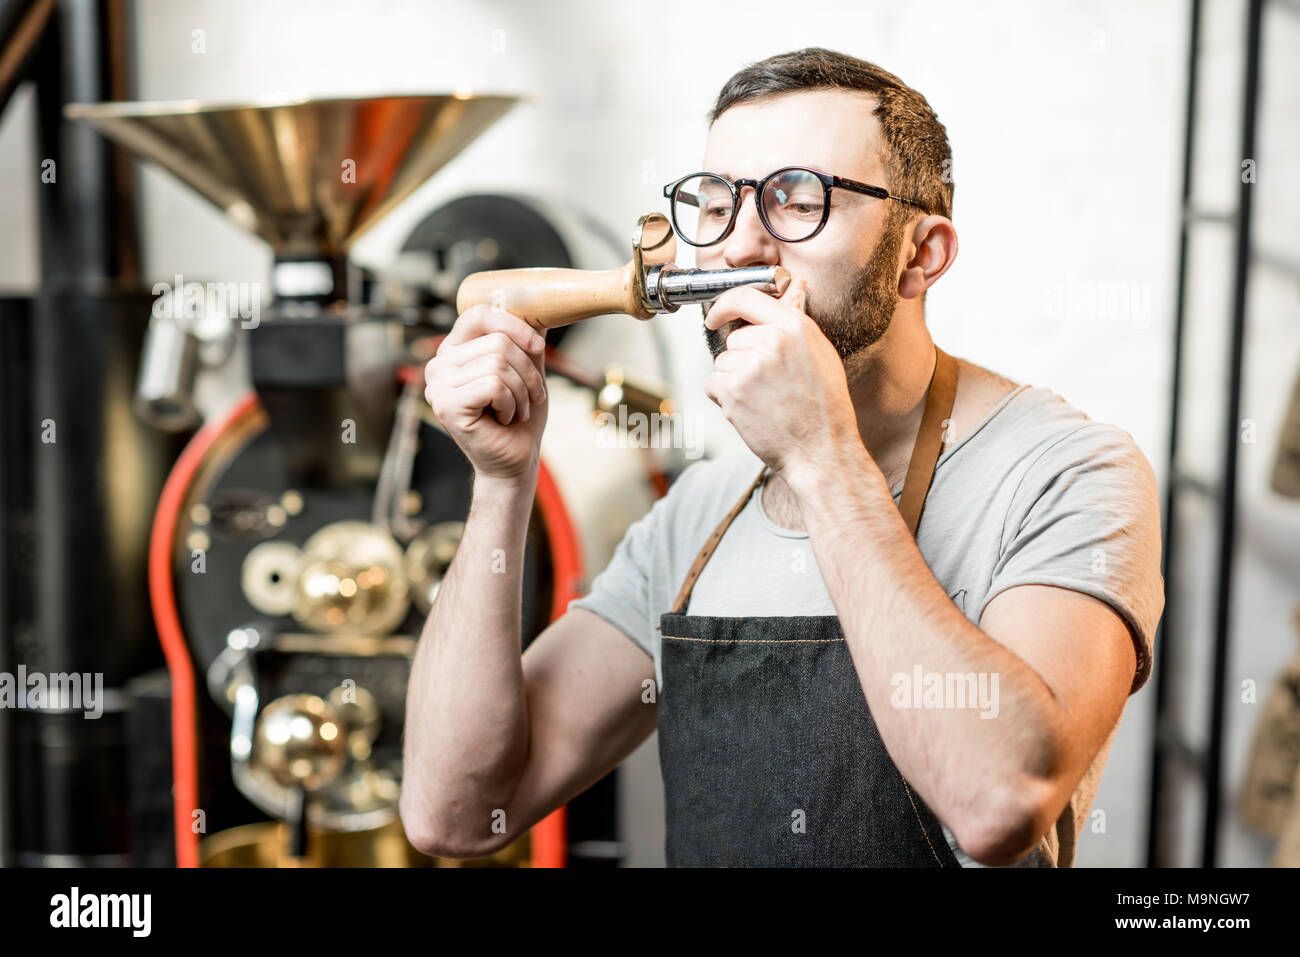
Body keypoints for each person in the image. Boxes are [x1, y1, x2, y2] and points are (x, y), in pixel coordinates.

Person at [399, 47, 1165, 867]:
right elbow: (456, 812)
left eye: (798, 200)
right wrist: (501, 483)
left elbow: (999, 802)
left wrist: (821, 455)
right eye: (717, 203)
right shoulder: (697, 514)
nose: (735, 248)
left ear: (922, 254)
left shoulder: (1071, 473)